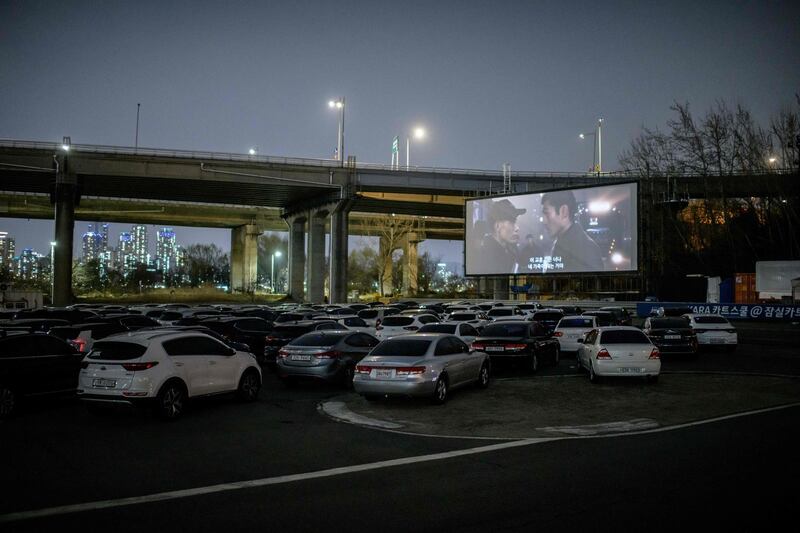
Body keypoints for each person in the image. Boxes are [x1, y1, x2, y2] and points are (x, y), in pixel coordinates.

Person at [541, 190, 604, 272]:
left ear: (564, 211)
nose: (544, 221)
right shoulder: (562, 241)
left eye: (547, 213)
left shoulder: (586, 248)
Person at [473, 198, 526, 274]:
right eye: (511, 222)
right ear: (497, 226)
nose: (517, 228)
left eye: (515, 222)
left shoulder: (513, 251)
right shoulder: (485, 256)